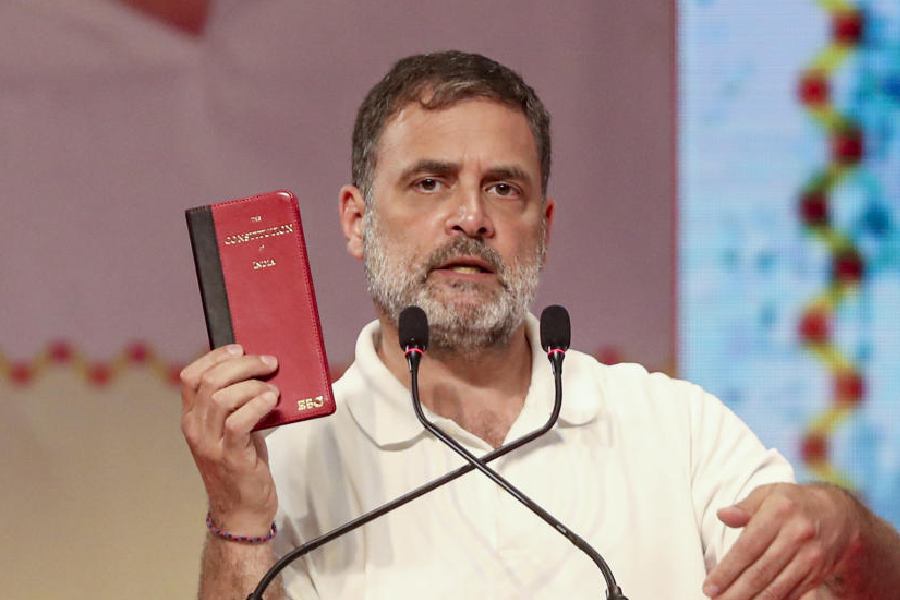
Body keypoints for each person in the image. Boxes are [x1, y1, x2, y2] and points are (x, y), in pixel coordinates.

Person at [180, 51, 900, 599]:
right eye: (430, 183)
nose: (471, 217)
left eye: (504, 188)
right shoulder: (289, 461)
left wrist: (847, 531)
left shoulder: (675, 425)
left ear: (544, 227)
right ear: (356, 221)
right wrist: (238, 518)